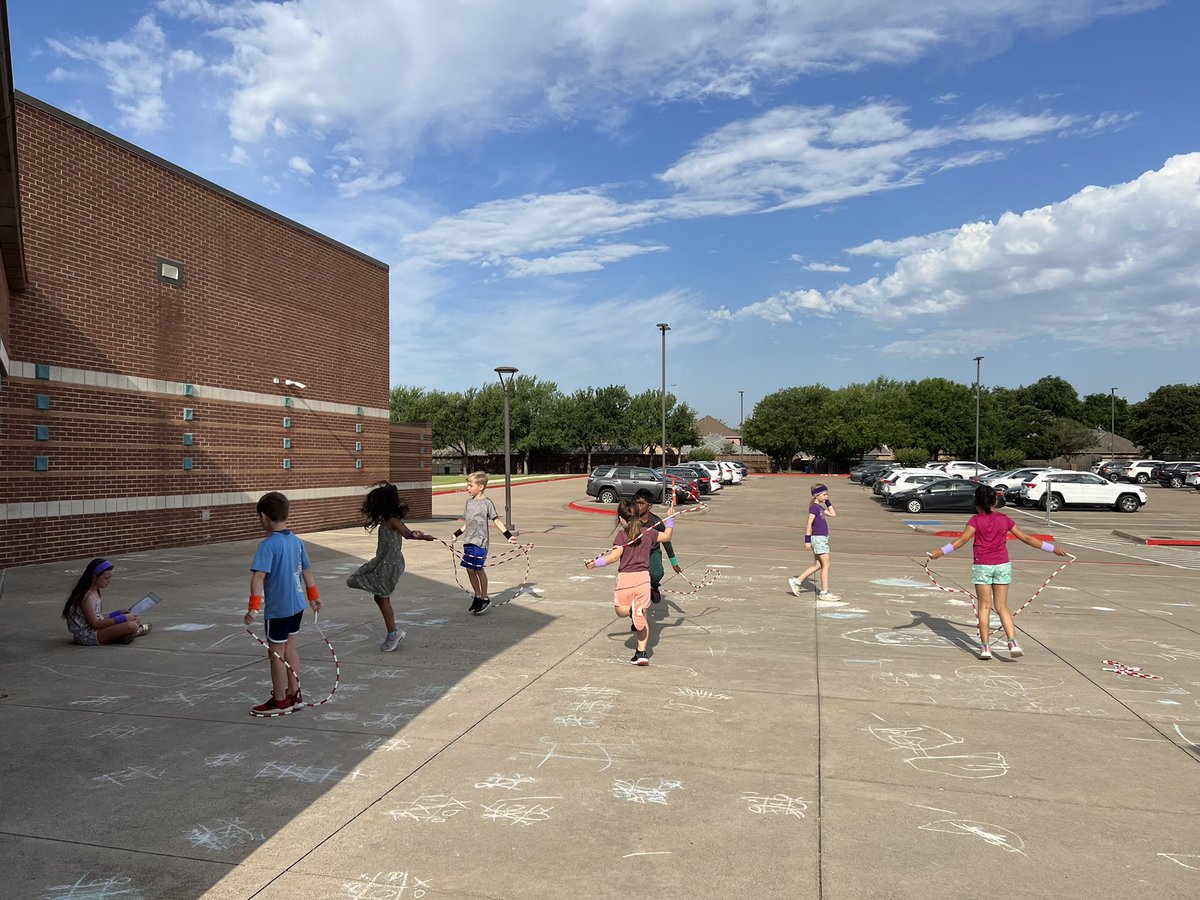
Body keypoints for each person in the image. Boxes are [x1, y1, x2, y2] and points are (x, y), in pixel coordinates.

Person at [927, 484, 1070, 660]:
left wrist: (940, 552)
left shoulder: (975, 521)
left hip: (982, 566)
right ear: (995, 501)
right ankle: (1013, 642)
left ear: (976, 502)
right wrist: (1052, 548)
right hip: (1002, 565)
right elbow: (1026, 538)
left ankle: (985, 647)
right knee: (1002, 606)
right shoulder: (1004, 519)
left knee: (984, 606)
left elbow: (961, 540)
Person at [244, 491, 320, 714]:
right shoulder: (296, 541)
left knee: (276, 653)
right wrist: (314, 596)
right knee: (291, 649)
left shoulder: (267, 546)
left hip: (278, 609)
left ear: (264, 517)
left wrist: (253, 606)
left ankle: (279, 700)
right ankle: (294, 694)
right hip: (297, 605)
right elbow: (306, 570)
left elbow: (259, 577)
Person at [585, 498, 676, 666]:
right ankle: (641, 653)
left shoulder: (622, 536)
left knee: (620, 610)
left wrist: (594, 563)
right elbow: (668, 536)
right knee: (642, 616)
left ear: (621, 518)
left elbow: (613, 557)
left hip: (626, 579)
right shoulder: (649, 532)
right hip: (643, 579)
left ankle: (632, 611)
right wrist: (670, 518)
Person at [348, 482, 436, 652]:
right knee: (378, 596)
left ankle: (393, 633)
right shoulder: (389, 519)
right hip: (383, 561)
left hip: (390, 563)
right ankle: (392, 632)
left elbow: (407, 533)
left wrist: (421, 536)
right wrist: (419, 535)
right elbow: (407, 532)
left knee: (380, 595)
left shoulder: (392, 519)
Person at [452, 471, 518, 615]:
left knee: (478, 569)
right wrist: (456, 534)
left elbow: (497, 520)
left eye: (470, 485)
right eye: (467, 485)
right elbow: (467, 523)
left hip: (480, 542)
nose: (467, 488)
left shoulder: (487, 503)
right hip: (468, 541)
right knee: (470, 570)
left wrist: (509, 536)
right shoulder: (469, 503)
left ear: (480, 487)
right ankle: (477, 596)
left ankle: (485, 597)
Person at [62, 558, 151, 645]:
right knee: (132, 626)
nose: (109, 581)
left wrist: (118, 613)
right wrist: (124, 618)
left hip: (96, 629)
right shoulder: (87, 597)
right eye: (106, 578)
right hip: (88, 635)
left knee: (136, 619)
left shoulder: (95, 591)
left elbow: (98, 616)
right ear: (94, 577)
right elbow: (95, 624)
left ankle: (122, 636)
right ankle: (136, 632)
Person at [789, 484, 840, 601]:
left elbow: (833, 514)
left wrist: (827, 501)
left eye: (827, 494)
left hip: (822, 538)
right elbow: (809, 524)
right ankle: (824, 592)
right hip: (818, 538)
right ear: (817, 495)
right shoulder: (814, 508)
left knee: (818, 565)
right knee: (826, 565)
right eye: (824, 495)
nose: (826, 496)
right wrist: (807, 540)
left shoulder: (820, 508)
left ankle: (797, 581)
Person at [632, 488, 683, 603]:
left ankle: (654, 586)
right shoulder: (632, 520)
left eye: (641, 503)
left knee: (657, 573)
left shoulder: (656, 521)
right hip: (636, 552)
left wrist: (674, 563)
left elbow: (666, 541)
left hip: (652, 552)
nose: (638, 506)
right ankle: (636, 614)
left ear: (649, 506)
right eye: (636, 503)